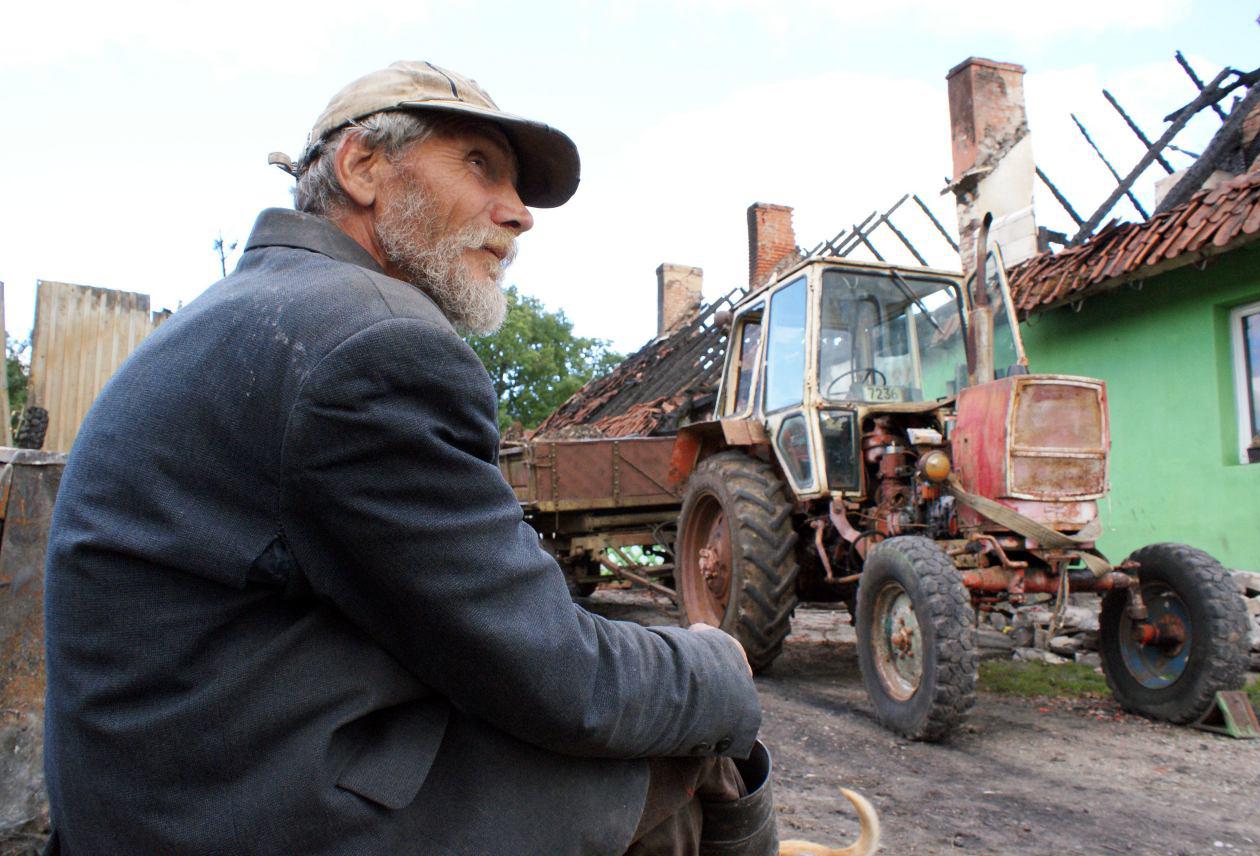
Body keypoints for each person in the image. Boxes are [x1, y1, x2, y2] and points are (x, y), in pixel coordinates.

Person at [42, 60, 778, 855]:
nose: (520, 214)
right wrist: (720, 666)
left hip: (164, 792)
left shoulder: (259, 307)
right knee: (693, 751)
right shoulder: (369, 340)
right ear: (362, 166)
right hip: (238, 817)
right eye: (479, 166)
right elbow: (560, 679)